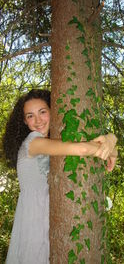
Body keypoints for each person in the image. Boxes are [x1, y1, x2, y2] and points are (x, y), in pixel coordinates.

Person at [3, 89, 117, 264]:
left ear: (51, 111)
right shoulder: (33, 143)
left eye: (42, 112)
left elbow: (86, 146)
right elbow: (83, 149)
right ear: (25, 121)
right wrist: (112, 140)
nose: (38, 120)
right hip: (35, 221)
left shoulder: (47, 143)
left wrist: (112, 144)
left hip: (45, 216)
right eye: (30, 116)